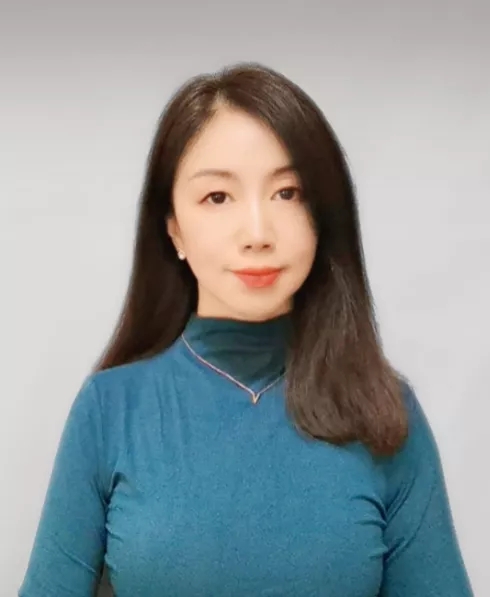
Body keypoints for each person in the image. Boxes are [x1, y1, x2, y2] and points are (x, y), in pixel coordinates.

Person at [19, 62, 473, 597]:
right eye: (218, 197)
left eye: (288, 193)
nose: (257, 233)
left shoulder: (385, 413)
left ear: (323, 217)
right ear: (174, 229)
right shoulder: (110, 409)